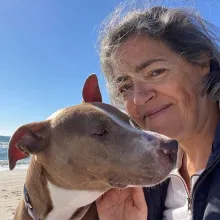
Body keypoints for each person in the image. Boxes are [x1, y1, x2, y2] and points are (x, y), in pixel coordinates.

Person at [95, 3, 220, 220]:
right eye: (125, 87)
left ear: (201, 62)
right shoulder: (144, 180)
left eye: (155, 72)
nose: (139, 98)